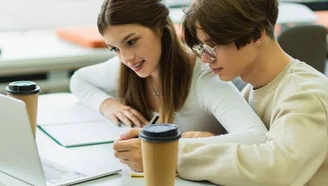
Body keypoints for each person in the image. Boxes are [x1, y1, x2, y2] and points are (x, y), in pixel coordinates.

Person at [144, 0, 328, 185]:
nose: (205, 60)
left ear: (256, 35)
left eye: (213, 46)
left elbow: (276, 171)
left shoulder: (305, 95)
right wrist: (212, 140)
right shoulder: (253, 90)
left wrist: (172, 155)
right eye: (202, 49)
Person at [69, 0, 267, 172]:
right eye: (115, 49)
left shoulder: (204, 79)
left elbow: (258, 137)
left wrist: (164, 149)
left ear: (160, 28)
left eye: (131, 41)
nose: (126, 58)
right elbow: (78, 80)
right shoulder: (126, 68)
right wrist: (108, 104)